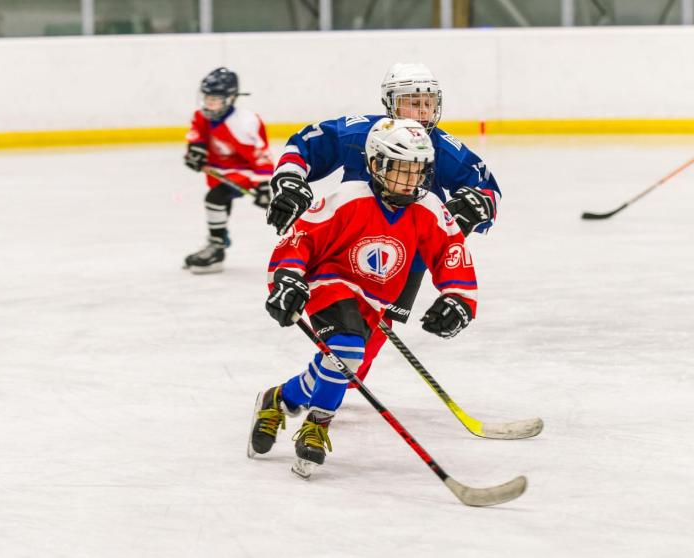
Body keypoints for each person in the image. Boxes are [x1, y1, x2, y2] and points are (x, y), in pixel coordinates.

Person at [247, 118, 479, 478]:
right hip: (330, 282)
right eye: (400, 170)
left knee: (345, 364)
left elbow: (450, 251)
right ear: (375, 164)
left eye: (417, 171)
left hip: (377, 299)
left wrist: (458, 298)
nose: (410, 180)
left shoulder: (429, 208)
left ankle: (280, 399)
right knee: (349, 350)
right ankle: (317, 425)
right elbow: (300, 239)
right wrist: (288, 277)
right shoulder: (347, 198)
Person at [265, 62, 500, 385]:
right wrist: (291, 178)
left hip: (404, 258)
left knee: (354, 371)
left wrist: (477, 204)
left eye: (427, 103)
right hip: (345, 249)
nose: (421, 111)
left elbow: (485, 185)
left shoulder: (439, 147)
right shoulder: (359, 133)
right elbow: (309, 143)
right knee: (345, 345)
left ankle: (314, 387)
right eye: (411, 102)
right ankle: (309, 391)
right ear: (390, 102)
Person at [182, 67, 274, 273]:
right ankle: (218, 240)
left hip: (244, 172)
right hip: (219, 170)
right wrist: (195, 150)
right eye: (206, 98)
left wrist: (263, 186)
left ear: (230, 98)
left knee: (215, 199)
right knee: (220, 205)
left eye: (214, 100)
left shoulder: (244, 122)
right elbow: (196, 132)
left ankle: (217, 249)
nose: (208, 104)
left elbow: (261, 155)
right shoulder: (202, 115)